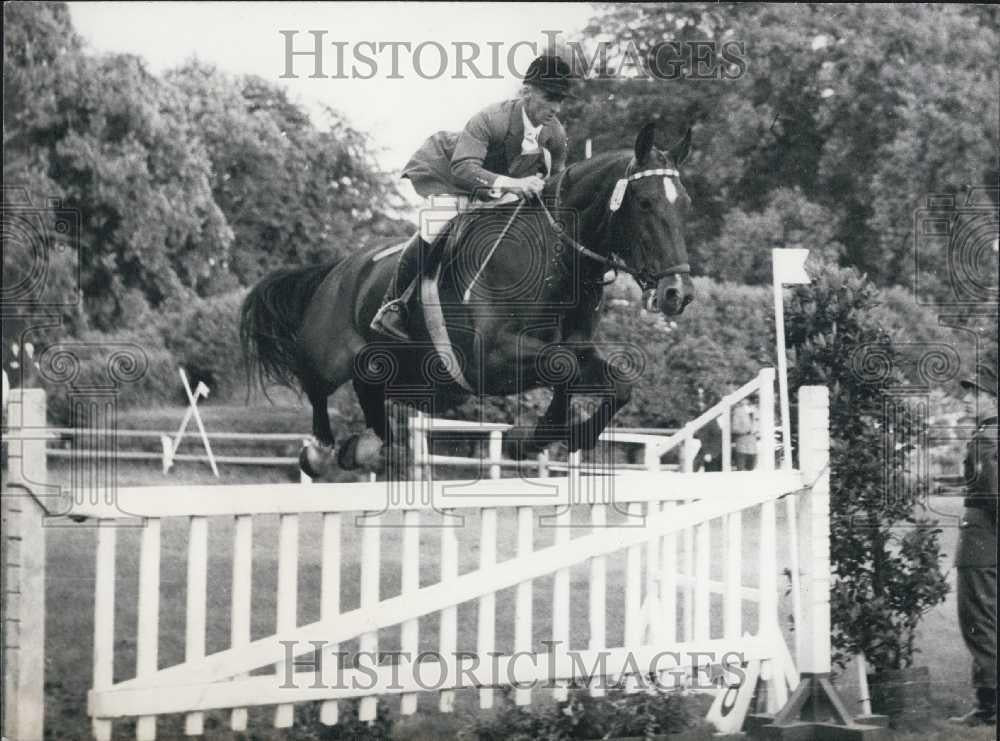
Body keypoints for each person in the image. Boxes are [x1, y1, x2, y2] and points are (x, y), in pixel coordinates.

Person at [369, 54, 574, 341]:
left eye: (561, 100)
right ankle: (393, 306)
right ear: (526, 91)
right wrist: (515, 184)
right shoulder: (491, 118)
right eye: (549, 97)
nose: (555, 108)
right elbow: (463, 168)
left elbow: (559, 183)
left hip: (495, 190)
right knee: (433, 229)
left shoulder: (554, 133)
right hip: (452, 178)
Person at [949, 361, 998, 727]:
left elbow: (993, 493)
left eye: (975, 393)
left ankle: (988, 707)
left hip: (982, 543)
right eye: (967, 392)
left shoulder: (985, 438)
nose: (967, 399)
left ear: (993, 400)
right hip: (986, 539)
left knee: (979, 623)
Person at [730, 391, 757, 471]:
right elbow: (734, 428)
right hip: (742, 445)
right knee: (741, 471)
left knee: (751, 469)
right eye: (749, 399)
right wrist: (747, 431)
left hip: (753, 446)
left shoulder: (756, 410)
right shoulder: (738, 411)